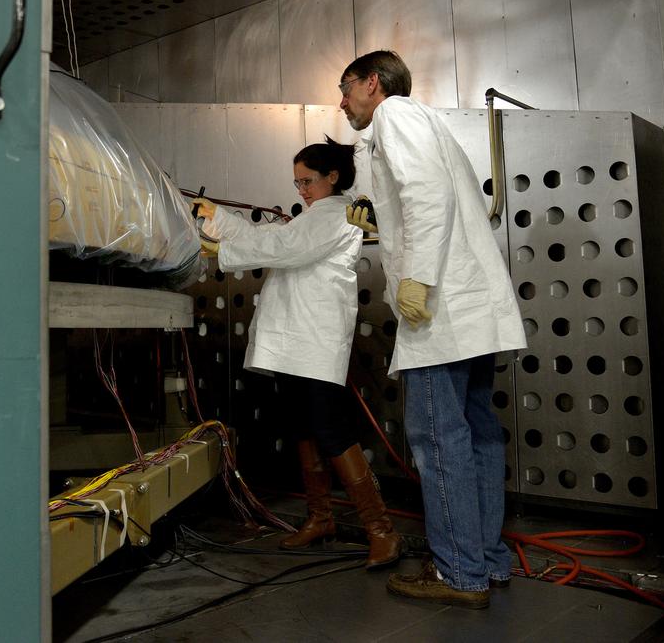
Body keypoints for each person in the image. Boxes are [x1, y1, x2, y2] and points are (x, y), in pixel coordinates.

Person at [338, 49, 526, 609]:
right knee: (478, 435)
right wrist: (382, 219)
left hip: (441, 311)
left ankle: (459, 573)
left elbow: (426, 194)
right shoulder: (427, 122)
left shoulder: (394, 114)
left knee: (439, 439)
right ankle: (487, 560)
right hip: (471, 310)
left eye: (346, 88)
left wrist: (416, 278)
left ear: (373, 83)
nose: (342, 102)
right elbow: (431, 196)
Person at [193, 140, 401, 570]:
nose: (302, 190)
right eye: (297, 183)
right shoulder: (312, 216)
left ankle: (381, 530)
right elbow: (272, 237)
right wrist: (219, 219)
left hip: (316, 340)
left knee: (331, 430)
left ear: (333, 177)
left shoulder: (338, 214)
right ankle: (320, 518)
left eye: (308, 181)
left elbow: (286, 248)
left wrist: (222, 249)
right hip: (293, 342)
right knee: (302, 427)